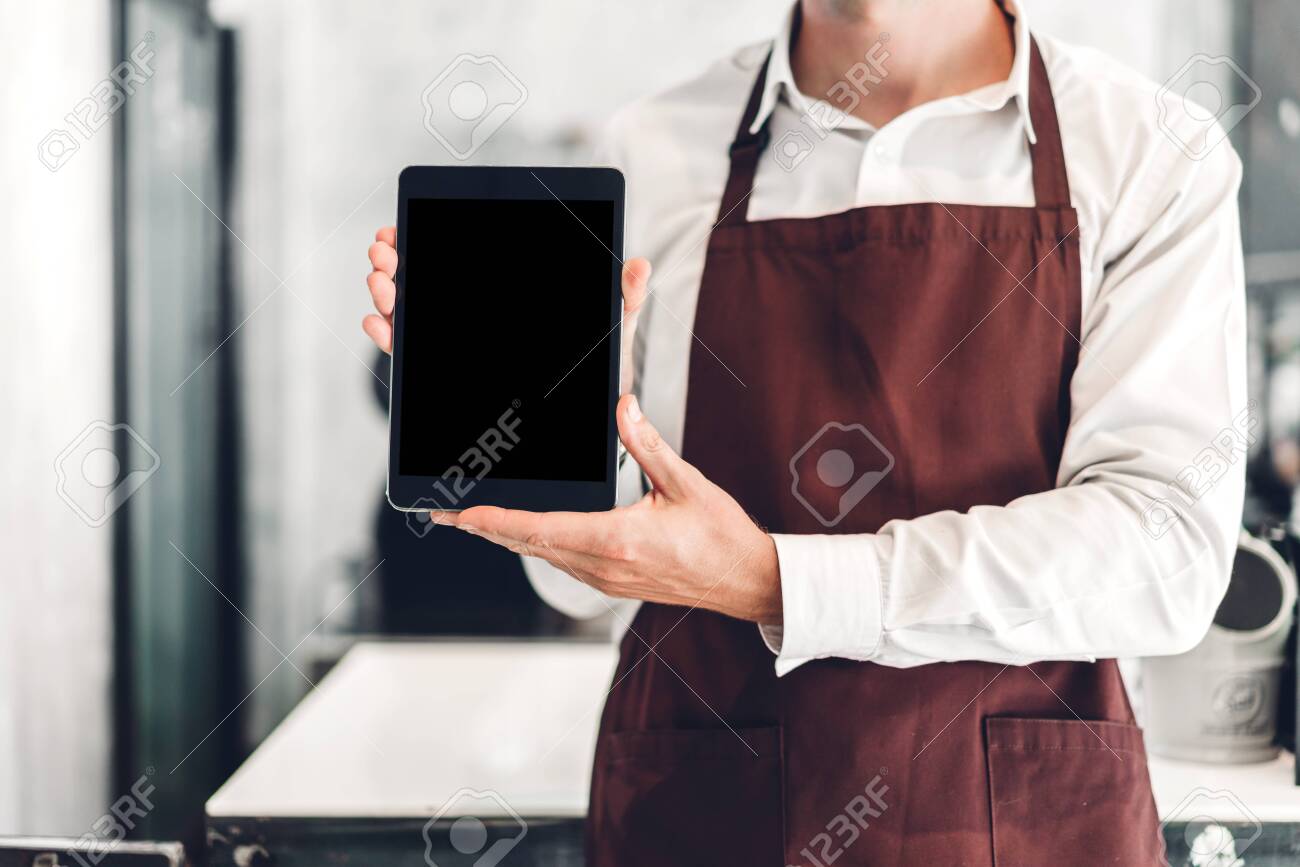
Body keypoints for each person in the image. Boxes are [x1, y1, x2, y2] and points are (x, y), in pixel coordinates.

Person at [363, 0, 1246, 862]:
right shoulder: (659, 147)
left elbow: (1162, 553)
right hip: (706, 812)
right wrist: (534, 444)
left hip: (1023, 826)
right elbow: (586, 588)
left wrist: (776, 582)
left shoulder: (1149, 153)